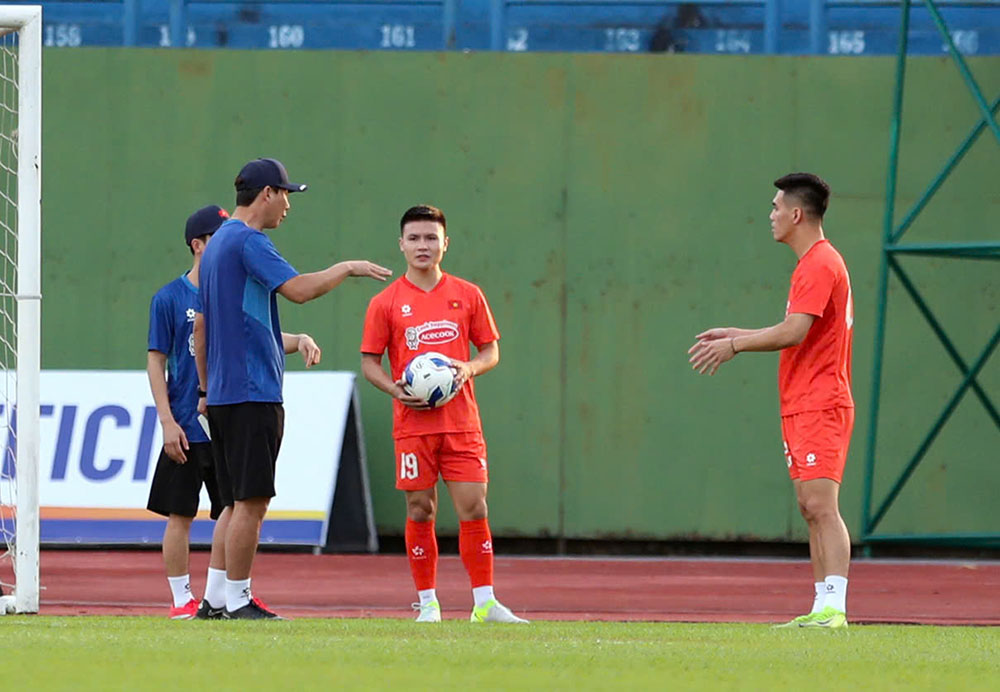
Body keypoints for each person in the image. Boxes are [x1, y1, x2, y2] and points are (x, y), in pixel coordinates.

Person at [196, 157, 392, 620]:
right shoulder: (248, 240)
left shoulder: (218, 243)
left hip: (224, 394)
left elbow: (204, 329)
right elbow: (299, 290)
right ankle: (240, 600)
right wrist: (347, 267)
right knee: (252, 503)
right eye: (286, 194)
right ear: (267, 194)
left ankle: (216, 597)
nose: (288, 204)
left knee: (231, 503)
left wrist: (205, 389)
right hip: (252, 392)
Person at [688, 173, 854, 629]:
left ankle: (835, 608)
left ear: (797, 214)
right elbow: (798, 332)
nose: (772, 215)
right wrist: (736, 332)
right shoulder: (811, 265)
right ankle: (822, 606)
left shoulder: (820, 263)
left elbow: (794, 332)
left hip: (822, 400)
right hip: (803, 400)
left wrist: (735, 347)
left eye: (777, 208)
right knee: (808, 506)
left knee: (822, 505)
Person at [360, 204, 528, 624]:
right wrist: (394, 388)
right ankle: (428, 603)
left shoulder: (468, 295)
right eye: (414, 238)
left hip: (462, 424)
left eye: (431, 238)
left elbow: (490, 350)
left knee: (474, 506)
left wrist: (469, 368)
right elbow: (369, 362)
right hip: (413, 426)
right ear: (401, 244)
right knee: (421, 509)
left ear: (445, 244)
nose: (423, 245)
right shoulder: (386, 302)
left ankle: (485, 602)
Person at [146, 204, 231, 620]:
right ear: (198, 245)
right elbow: (156, 361)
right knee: (181, 514)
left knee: (233, 510)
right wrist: (167, 421)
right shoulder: (169, 298)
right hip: (184, 422)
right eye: (218, 237)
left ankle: (227, 595)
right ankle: (182, 598)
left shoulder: (234, 292)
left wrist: (299, 338)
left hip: (226, 422)